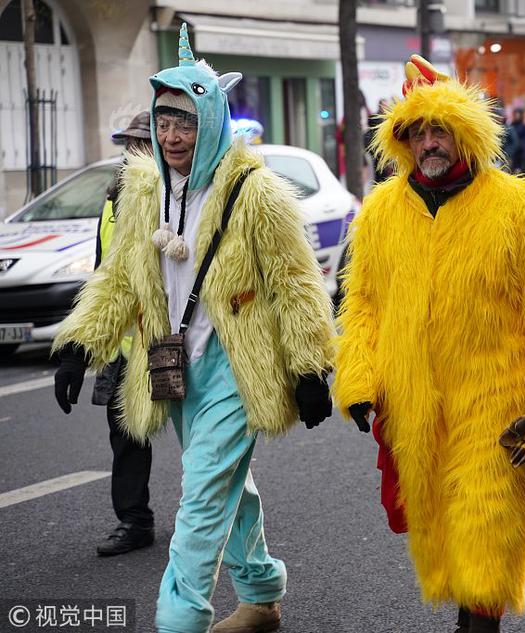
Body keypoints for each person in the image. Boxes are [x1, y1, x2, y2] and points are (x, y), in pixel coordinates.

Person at [52, 26, 337, 633]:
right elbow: (121, 278)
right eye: (163, 121)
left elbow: (298, 282)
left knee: (202, 495)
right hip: (173, 365)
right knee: (229, 484)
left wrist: (312, 367)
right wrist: (80, 345)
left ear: (211, 119)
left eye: (185, 121)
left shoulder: (255, 191)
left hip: (238, 364)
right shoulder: (143, 191)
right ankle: (260, 596)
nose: (173, 135)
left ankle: (178, 620)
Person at [335, 54, 525, 633]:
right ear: (401, 140)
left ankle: (478, 625)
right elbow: (363, 302)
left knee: (487, 529)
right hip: (415, 405)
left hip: (494, 404)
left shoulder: (516, 207)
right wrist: (356, 378)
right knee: (441, 530)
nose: (429, 141)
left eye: (440, 128)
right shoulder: (379, 213)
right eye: (417, 131)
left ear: (465, 132)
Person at [91, 111, 157, 557]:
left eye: (142, 145)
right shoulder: (113, 199)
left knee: (203, 438)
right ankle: (134, 521)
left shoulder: (177, 197)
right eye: (129, 146)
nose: (133, 153)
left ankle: (217, 515)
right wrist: (85, 345)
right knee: (125, 435)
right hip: (125, 346)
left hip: (174, 341)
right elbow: (103, 273)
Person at [510, 107, 525, 173]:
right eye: (516, 114)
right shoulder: (512, 125)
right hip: (513, 151)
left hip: (521, 151)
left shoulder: (524, 126)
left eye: (518, 114)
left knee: (521, 170)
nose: (517, 116)